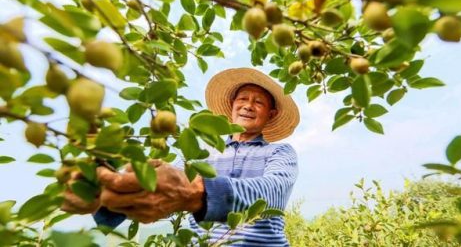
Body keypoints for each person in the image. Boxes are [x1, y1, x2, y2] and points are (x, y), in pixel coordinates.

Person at [62, 67, 300, 246]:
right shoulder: (204, 151)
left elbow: (272, 191)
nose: (248, 106)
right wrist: (107, 197)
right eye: (243, 99)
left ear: (271, 113)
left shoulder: (279, 152)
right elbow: (166, 187)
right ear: (232, 105)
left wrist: (196, 193)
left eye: (258, 102)